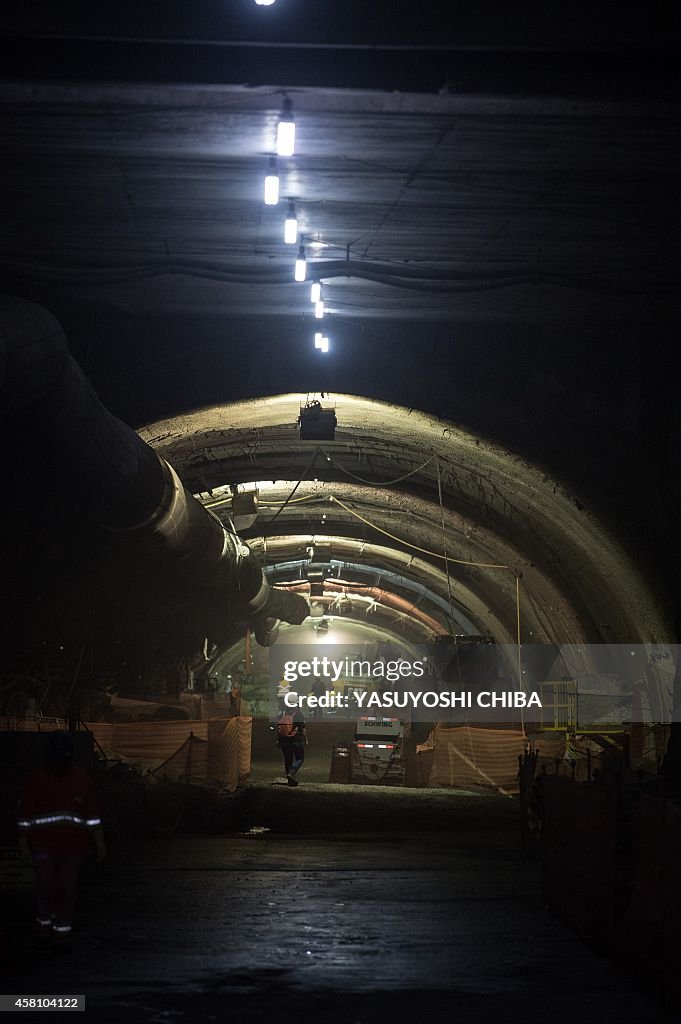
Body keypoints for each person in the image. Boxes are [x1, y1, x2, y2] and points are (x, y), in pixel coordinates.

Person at [17, 731, 106, 950]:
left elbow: (92, 815)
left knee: (66, 887)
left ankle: (61, 930)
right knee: (47, 884)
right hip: (45, 844)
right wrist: (22, 842)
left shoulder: (81, 778)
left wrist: (100, 842)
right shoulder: (37, 778)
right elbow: (25, 814)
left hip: (71, 847)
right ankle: (45, 926)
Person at [276, 701, 307, 786]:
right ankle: (292, 773)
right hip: (296, 739)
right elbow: (303, 729)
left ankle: (290, 780)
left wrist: (278, 740)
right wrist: (306, 740)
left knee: (288, 759)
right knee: (300, 758)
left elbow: (279, 728)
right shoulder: (299, 714)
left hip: (284, 740)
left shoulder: (281, 713)